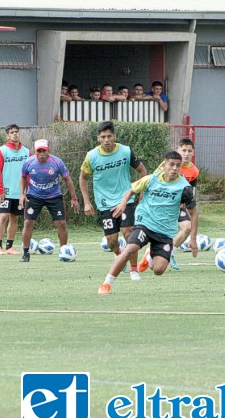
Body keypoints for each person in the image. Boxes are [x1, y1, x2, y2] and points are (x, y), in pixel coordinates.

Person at [98, 151, 198, 295]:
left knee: (158, 270)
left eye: (178, 165)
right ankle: (106, 283)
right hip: (145, 223)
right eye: (171, 165)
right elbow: (131, 190)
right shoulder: (150, 179)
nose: (175, 168)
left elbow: (194, 214)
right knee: (129, 249)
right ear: (164, 165)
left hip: (165, 232)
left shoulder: (185, 188)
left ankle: (149, 257)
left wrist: (193, 239)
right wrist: (123, 203)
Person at [79, 121, 147, 281]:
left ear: (114, 136)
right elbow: (82, 177)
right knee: (111, 241)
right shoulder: (92, 156)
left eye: (109, 136)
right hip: (104, 204)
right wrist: (87, 202)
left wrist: (142, 192)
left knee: (129, 233)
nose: (107, 140)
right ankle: (119, 256)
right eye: (103, 137)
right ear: (98, 139)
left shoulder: (125, 151)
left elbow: (142, 170)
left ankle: (133, 269)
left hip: (126, 200)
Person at [139, 138, 200, 272]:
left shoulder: (194, 171)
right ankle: (153, 253)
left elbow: (190, 192)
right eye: (183, 150)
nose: (186, 153)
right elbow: (152, 181)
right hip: (162, 205)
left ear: (193, 152)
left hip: (178, 205)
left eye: (189, 151)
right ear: (178, 150)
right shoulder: (166, 165)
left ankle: (169, 253)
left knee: (187, 227)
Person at [19, 139, 81, 262]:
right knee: (28, 223)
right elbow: (23, 177)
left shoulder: (57, 162)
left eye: (44, 151)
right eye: (39, 151)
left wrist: (74, 198)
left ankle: (64, 252)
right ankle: (26, 253)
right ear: (35, 152)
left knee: (61, 224)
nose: (42, 153)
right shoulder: (28, 162)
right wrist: (22, 194)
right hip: (34, 196)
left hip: (54, 196)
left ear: (48, 150)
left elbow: (67, 179)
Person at [0, 123, 31, 255]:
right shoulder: (2, 151)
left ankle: (9, 247)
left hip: (20, 193)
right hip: (6, 191)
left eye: (16, 131)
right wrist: (0, 189)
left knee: (14, 218)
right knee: (3, 216)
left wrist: (29, 190)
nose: (15, 134)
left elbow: (29, 173)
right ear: (7, 135)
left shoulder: (26, 152)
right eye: (12, 132)